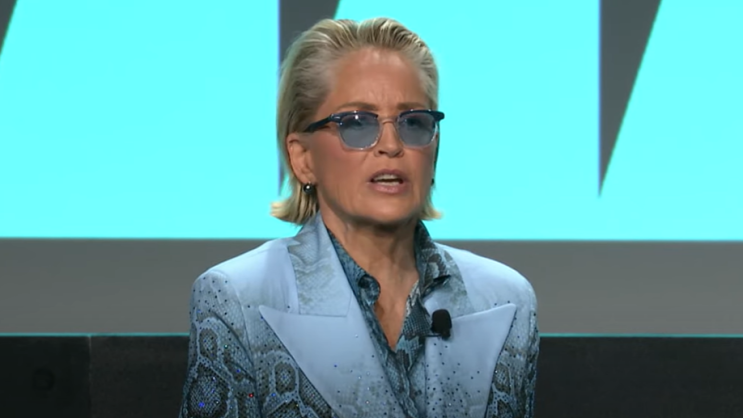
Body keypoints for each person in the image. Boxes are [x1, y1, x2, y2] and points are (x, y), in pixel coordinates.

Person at [179, 17, 539, 418]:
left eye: (413, 122)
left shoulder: (507, 299)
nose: (391, 145)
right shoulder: (239, 299)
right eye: (356, 124)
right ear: (303, 158)